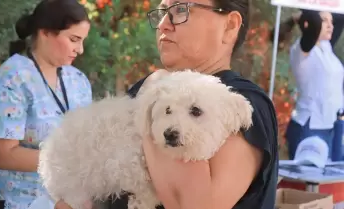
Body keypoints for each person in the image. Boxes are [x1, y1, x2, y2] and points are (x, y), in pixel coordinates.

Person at [56, 0, 273, 209]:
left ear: (230, 25)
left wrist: (155, 97)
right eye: (162, 12)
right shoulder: (153, 87)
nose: (163, 25)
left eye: (180, 10)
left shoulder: (242, 103)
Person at [0, 0, 92, 208]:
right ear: (46, 33)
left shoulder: (78, 80)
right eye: (74, 40)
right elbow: (4, 155)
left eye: (82, 41)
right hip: (19, 201)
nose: (80, 50)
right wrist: (69, 161)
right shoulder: (12, 78)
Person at [279, 10, 344, 160]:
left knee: (329, 181)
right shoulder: (302, 51)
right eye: (324, 20)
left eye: (331, 21)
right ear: (309, 23)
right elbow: (313, 22)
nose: (330, 25)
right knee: (307, 182)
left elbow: (340, 19)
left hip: (332, 126)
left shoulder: (326, 47)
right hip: (310, 127)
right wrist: (299, 16)